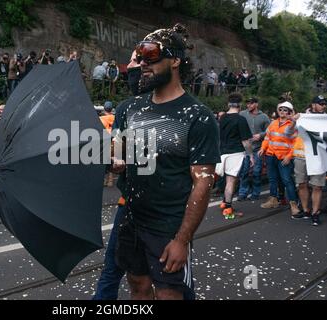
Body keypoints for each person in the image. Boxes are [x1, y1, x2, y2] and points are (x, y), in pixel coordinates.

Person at [113, 23, 220, 300]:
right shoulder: (129, 108)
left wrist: (182, 240)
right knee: (137, 286)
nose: (141, 63)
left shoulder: (198, 116)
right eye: (138, 55)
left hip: (168, 226)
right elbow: (120, 153)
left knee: (169, 295)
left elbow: (203, 183)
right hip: (132, 219)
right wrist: (112, 159)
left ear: (175, 60)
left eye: (150, 54)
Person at [93, 50, 146, 300]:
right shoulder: (124, 110)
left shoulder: (180, 111)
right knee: (114, 268)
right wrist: (117, 159)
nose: (131, 66)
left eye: (137, 61)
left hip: (166, 210)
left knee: (168, 277)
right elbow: (118, 148)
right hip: (129, 204)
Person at [258, 101, 299, 216]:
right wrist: (263, 148)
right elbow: (267, 138)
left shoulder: (293, 125)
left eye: (285, 110)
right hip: (271, 156)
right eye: (280, 109)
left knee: (287, 180)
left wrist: (289, 156)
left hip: (284, 157)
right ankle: (273, 200)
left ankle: (294, 204)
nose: (282, 112)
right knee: (272, 179)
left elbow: (295, 143)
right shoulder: (273, 123)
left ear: (290, 112)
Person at [216, 93, 253, 219]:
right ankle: (228, 208)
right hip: (235, 153)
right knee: (231, 181)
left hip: (222, 152)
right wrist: (251, 155)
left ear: (228, 104)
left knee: (225, 179)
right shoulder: (241, 119)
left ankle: (224, 202)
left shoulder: (223, 118)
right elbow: (246, 142)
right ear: (240, 105)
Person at [291, 95, 326, 226]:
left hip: (318, 156)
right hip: (302, 155)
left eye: (324, 104)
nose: (323, 106)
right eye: (320, 104)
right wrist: (294, 121)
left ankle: (315, 212)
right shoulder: (302, 118)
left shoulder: (325, 119)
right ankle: (306, 210)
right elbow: (290, 132)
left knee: (317, 185)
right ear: (313, 105)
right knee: (302, 183)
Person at [238, 97, 271, 201]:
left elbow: (270, 131)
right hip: (245, 148)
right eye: (247, 103)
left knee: (257, 172)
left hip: (258, 148)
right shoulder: (242, 114)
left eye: (251, 103)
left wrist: (261, 135)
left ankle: (255, 193)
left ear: (256, 104)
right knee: (244, 171)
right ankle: (242, 193)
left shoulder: (264, 117)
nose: (248, 105)